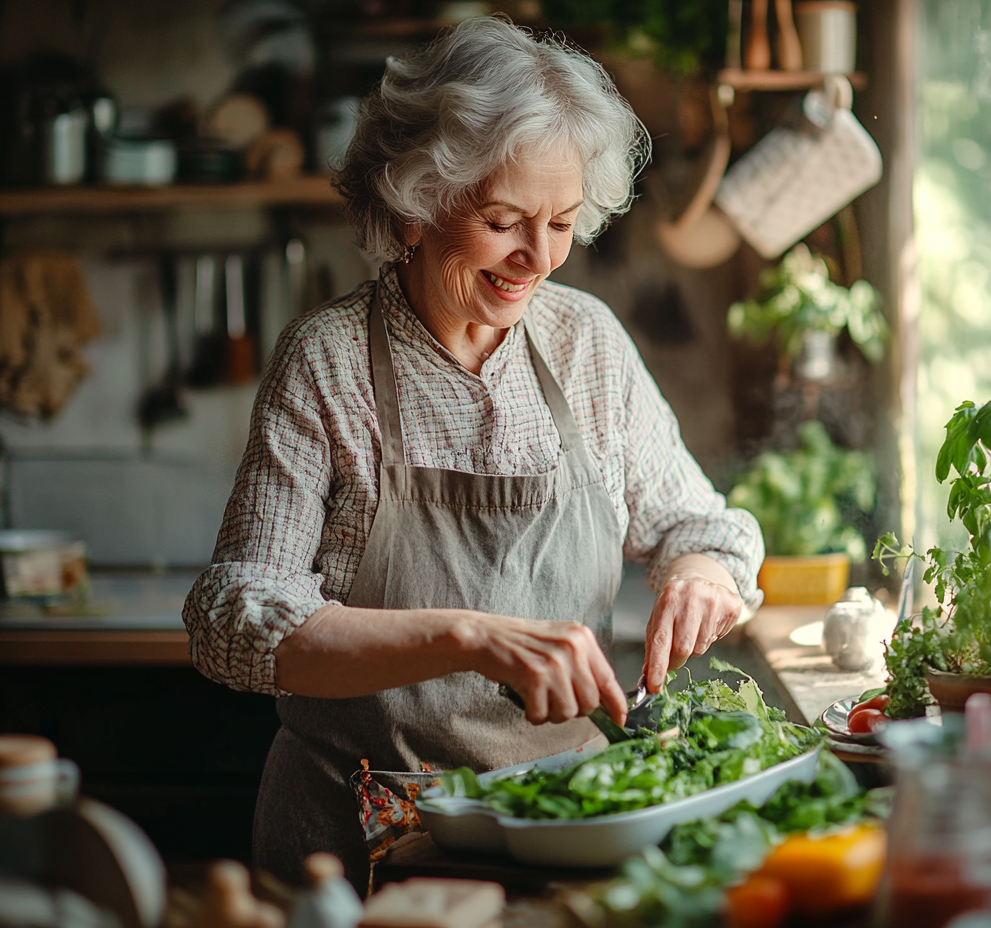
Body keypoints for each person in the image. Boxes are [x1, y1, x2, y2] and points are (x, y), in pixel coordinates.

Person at [183, 16, 763, 891]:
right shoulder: (329, 361)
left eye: (562, 222)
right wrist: (471, 638)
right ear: (415, 206)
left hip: (565, 829)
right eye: (502, 222)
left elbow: (699, 522)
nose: (538, 258)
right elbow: (233, 618)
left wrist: (701, 574)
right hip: (356, 849)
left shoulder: (586, 346)